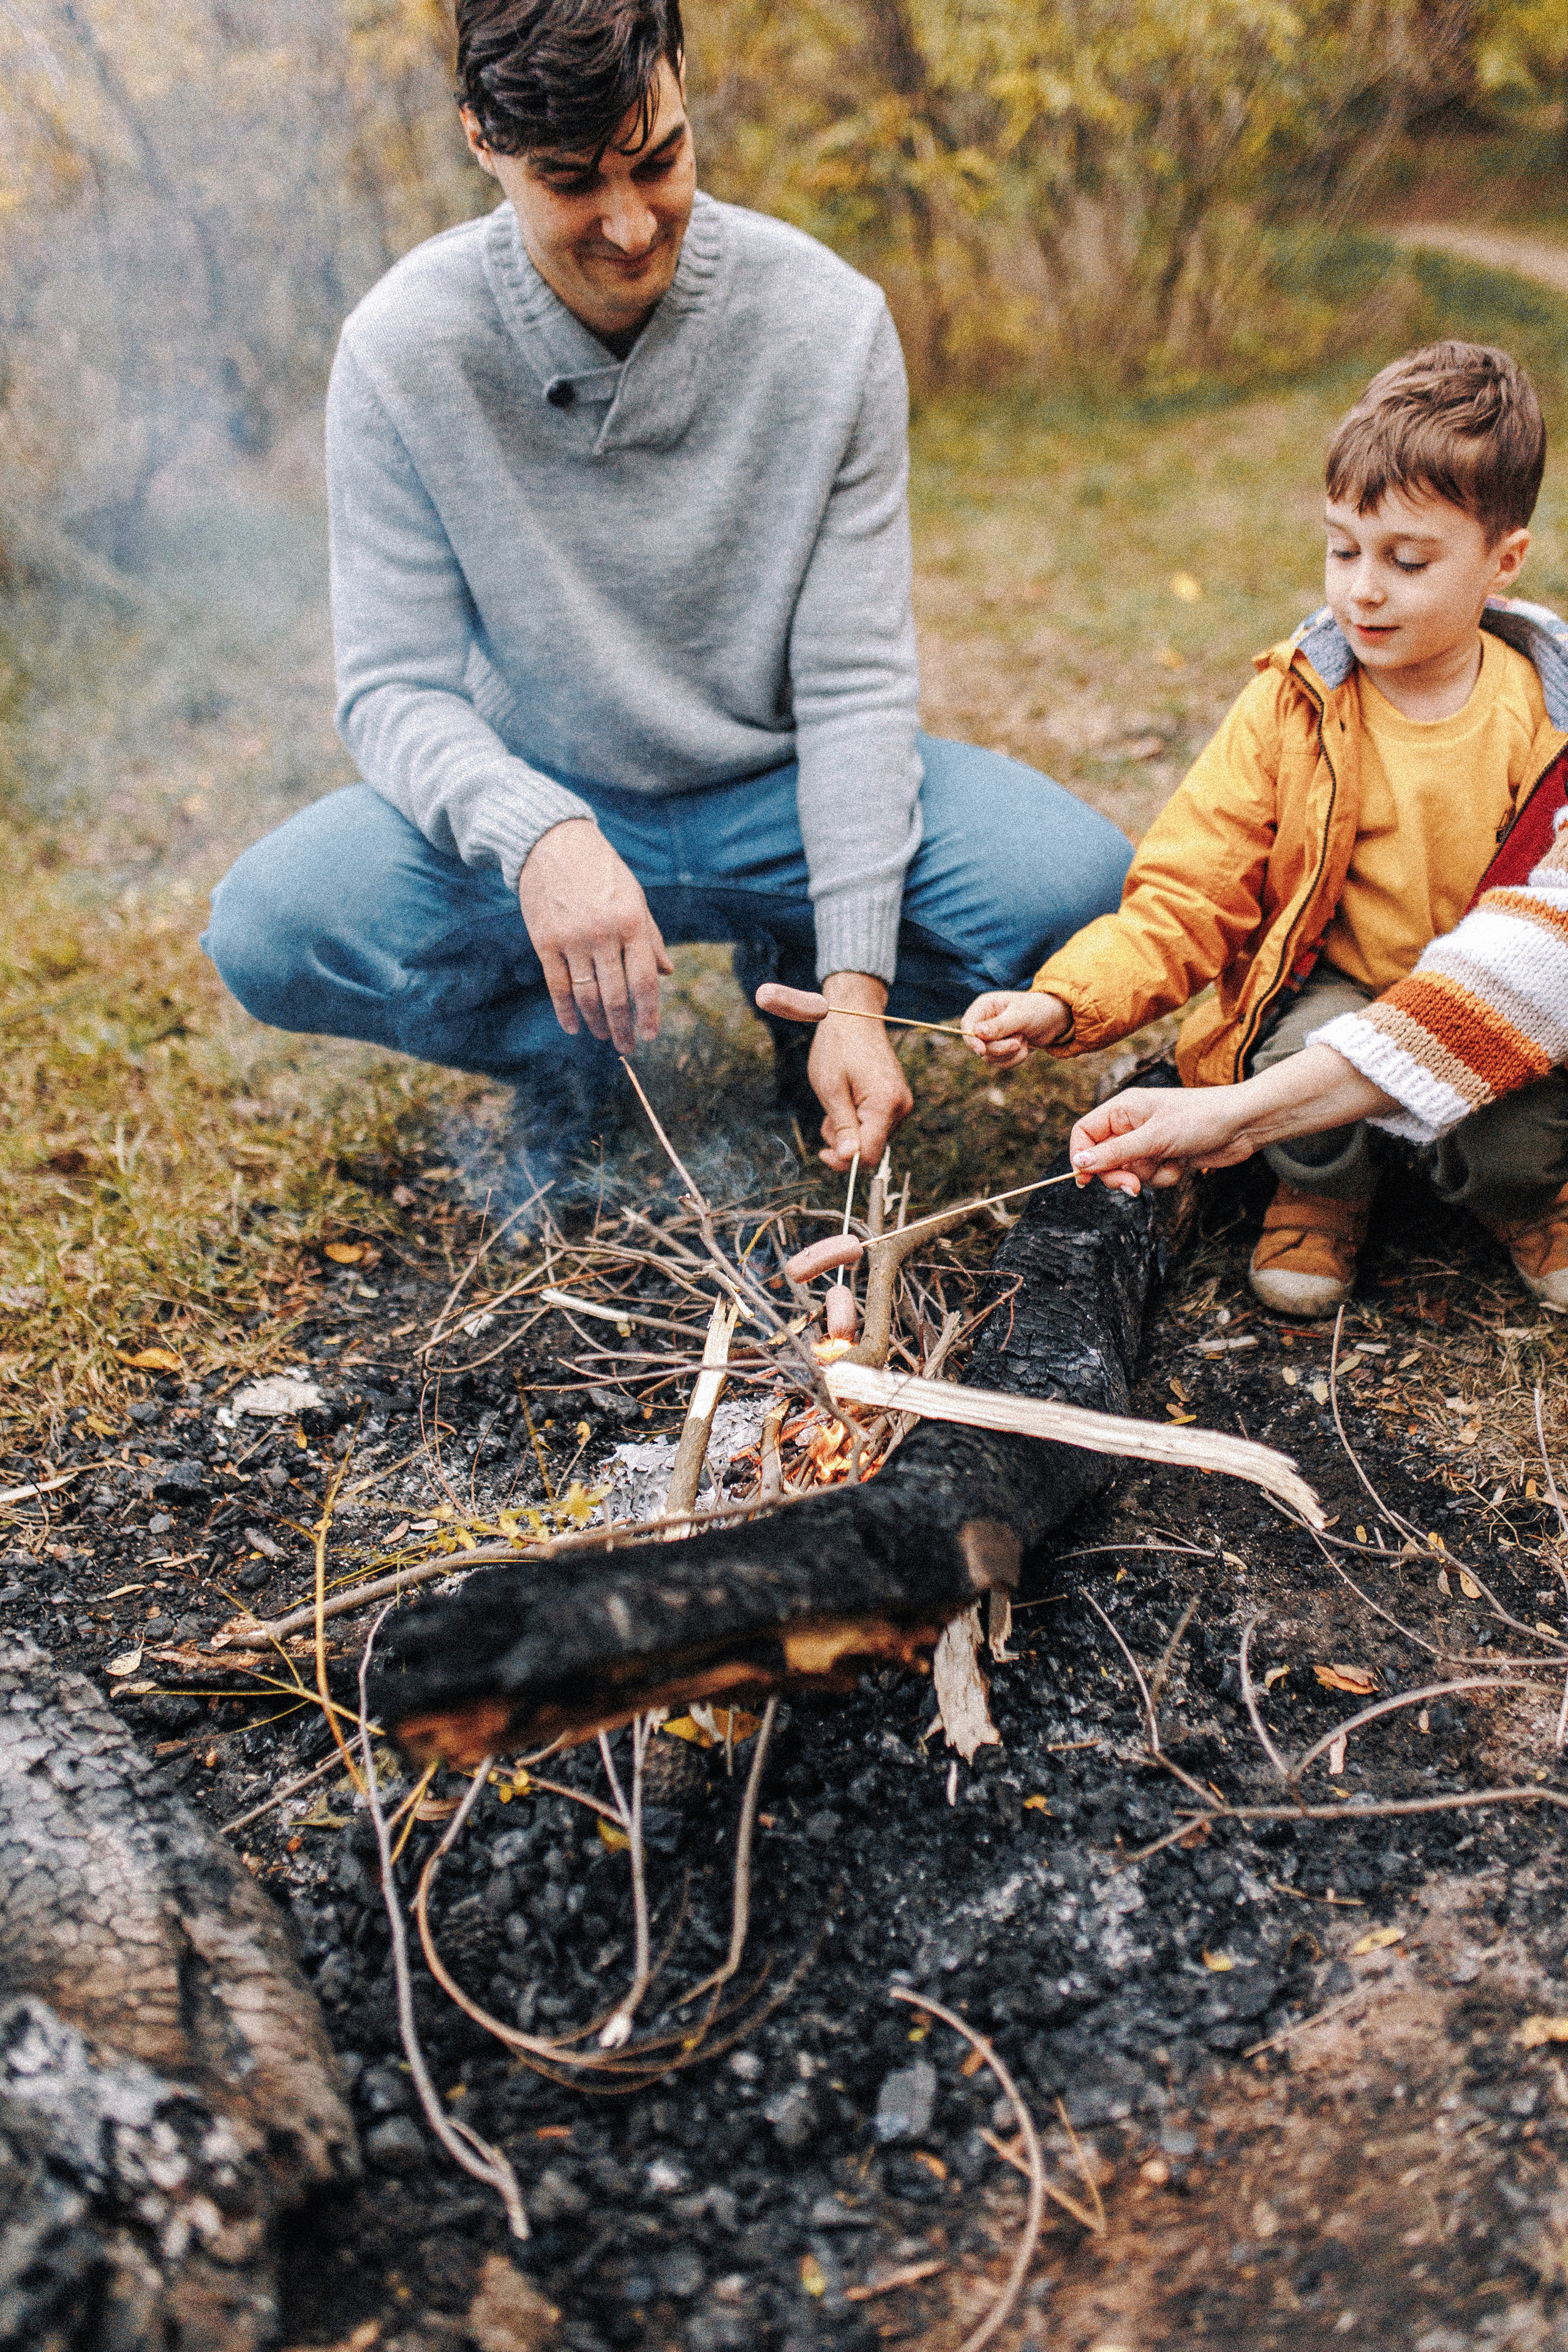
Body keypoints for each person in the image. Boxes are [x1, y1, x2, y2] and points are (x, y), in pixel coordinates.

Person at [202, 0, 1131, 1197]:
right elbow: (394, 688)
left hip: (780, 792)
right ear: (481, 139)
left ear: (685, 90)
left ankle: (800, 1004)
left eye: (660, 161)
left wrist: (855, 986)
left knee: (1077, 892)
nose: (632, 225)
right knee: (273, 928)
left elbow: (853, 681)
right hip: (550, 790)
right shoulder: (401, 348)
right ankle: (573, 1058)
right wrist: (534, 830)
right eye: (573, 182)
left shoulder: (826, 324)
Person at [961, 341, 1568, 1314]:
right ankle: (1323, 1196)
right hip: (1338, 986)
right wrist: (1065, 1002)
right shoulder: (1293, 703)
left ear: (1504, 561)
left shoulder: (1544, 722)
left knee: (1523, 1132)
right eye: (1342, 549)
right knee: (1296, 1052)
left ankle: (1527, 1202)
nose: (1363, 589)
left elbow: (1544, 971)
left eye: (1407, 561)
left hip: (1486, 1009)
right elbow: (1191, 886)